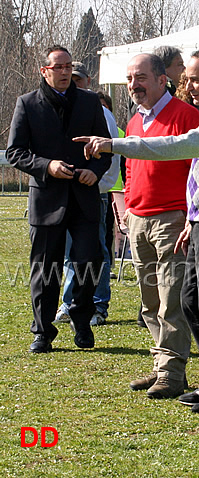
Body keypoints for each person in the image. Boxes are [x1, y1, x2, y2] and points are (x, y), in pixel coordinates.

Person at [76, 47, 199, 414]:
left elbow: (177, 146)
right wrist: (193, 217)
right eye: (185, 78)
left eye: (195, 79)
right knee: (192, 302)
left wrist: (113, 144)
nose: (187, 85)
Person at [6, 45, 112, 353]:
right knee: (45, 268)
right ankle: (42, 330)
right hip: (47, 200)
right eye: (58, 67)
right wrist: (47, 166)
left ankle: (81, 320)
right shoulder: (27, 104)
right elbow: (15, 153)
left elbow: (103, 147)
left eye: (68, 67)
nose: (65, 72)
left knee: (90, 261)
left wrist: (95, 169)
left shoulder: (91, 102)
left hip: (84, 197)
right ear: (45, 71)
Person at [122, 53, 199, 399]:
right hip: (138, 219)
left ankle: (172, 371)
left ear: (161, 79)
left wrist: (189, 214)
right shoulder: (133, 122)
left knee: (172, 298)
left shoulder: (186, 116)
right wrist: (127, 206)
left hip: (173, 218)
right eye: (129, 79)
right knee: (150, 301)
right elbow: (130, 166)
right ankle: (162, 366)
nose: (133, 85)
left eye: (140, 77)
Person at [55, 62, 120, 327]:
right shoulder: (60, 108)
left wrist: (99, 183)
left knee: (97, 251)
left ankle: (98, 303)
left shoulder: (100, 111)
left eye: (77, 78)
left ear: (87, 81)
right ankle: (70, 303)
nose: (73, 82)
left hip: (94, 192)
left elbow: (110, 154)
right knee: (72, 252)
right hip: (67, 191)